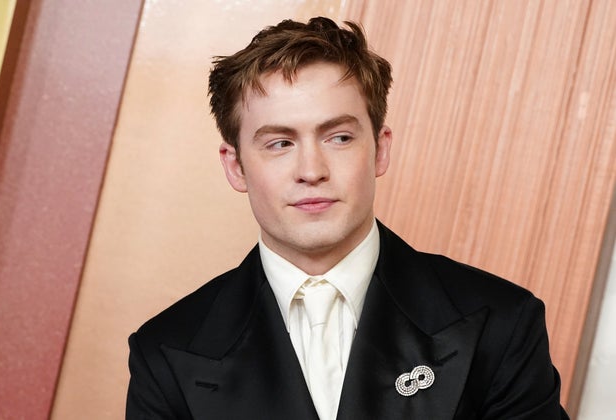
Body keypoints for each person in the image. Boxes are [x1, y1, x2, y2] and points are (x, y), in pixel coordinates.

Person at [126, 17, 569, 419]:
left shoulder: (503, 322)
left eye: (338, 137)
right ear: (235, 166)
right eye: (280, 143)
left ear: (380, 148)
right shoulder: (165, 350)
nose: (311, 170)